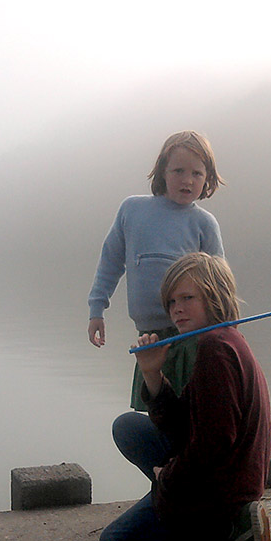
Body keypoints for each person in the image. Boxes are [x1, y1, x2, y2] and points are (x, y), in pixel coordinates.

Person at [99, 252, 271, 541]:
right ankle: (205, 519)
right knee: (127, 426)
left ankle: (217, 534)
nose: (177, 308)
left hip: (225, 488)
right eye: (171, 302)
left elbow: (214, 443)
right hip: (230, 475)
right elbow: (183, 425)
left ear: (216, 295)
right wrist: (153, 374)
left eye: (188, 297)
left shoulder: (216, 352)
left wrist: (169, 478)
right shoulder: (222, 340)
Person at [87, 131, 225, 411]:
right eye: (178, 170)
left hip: (191, 339)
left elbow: (221, 284)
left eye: (197, 174)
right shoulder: (132, 210)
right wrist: (96, 309)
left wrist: (228, 329)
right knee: (152, 415)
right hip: (148, 340)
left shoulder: (204, 224)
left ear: (207, 179)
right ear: (162, 170)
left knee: (190, 412)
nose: (187, 180)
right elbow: (111, 261)